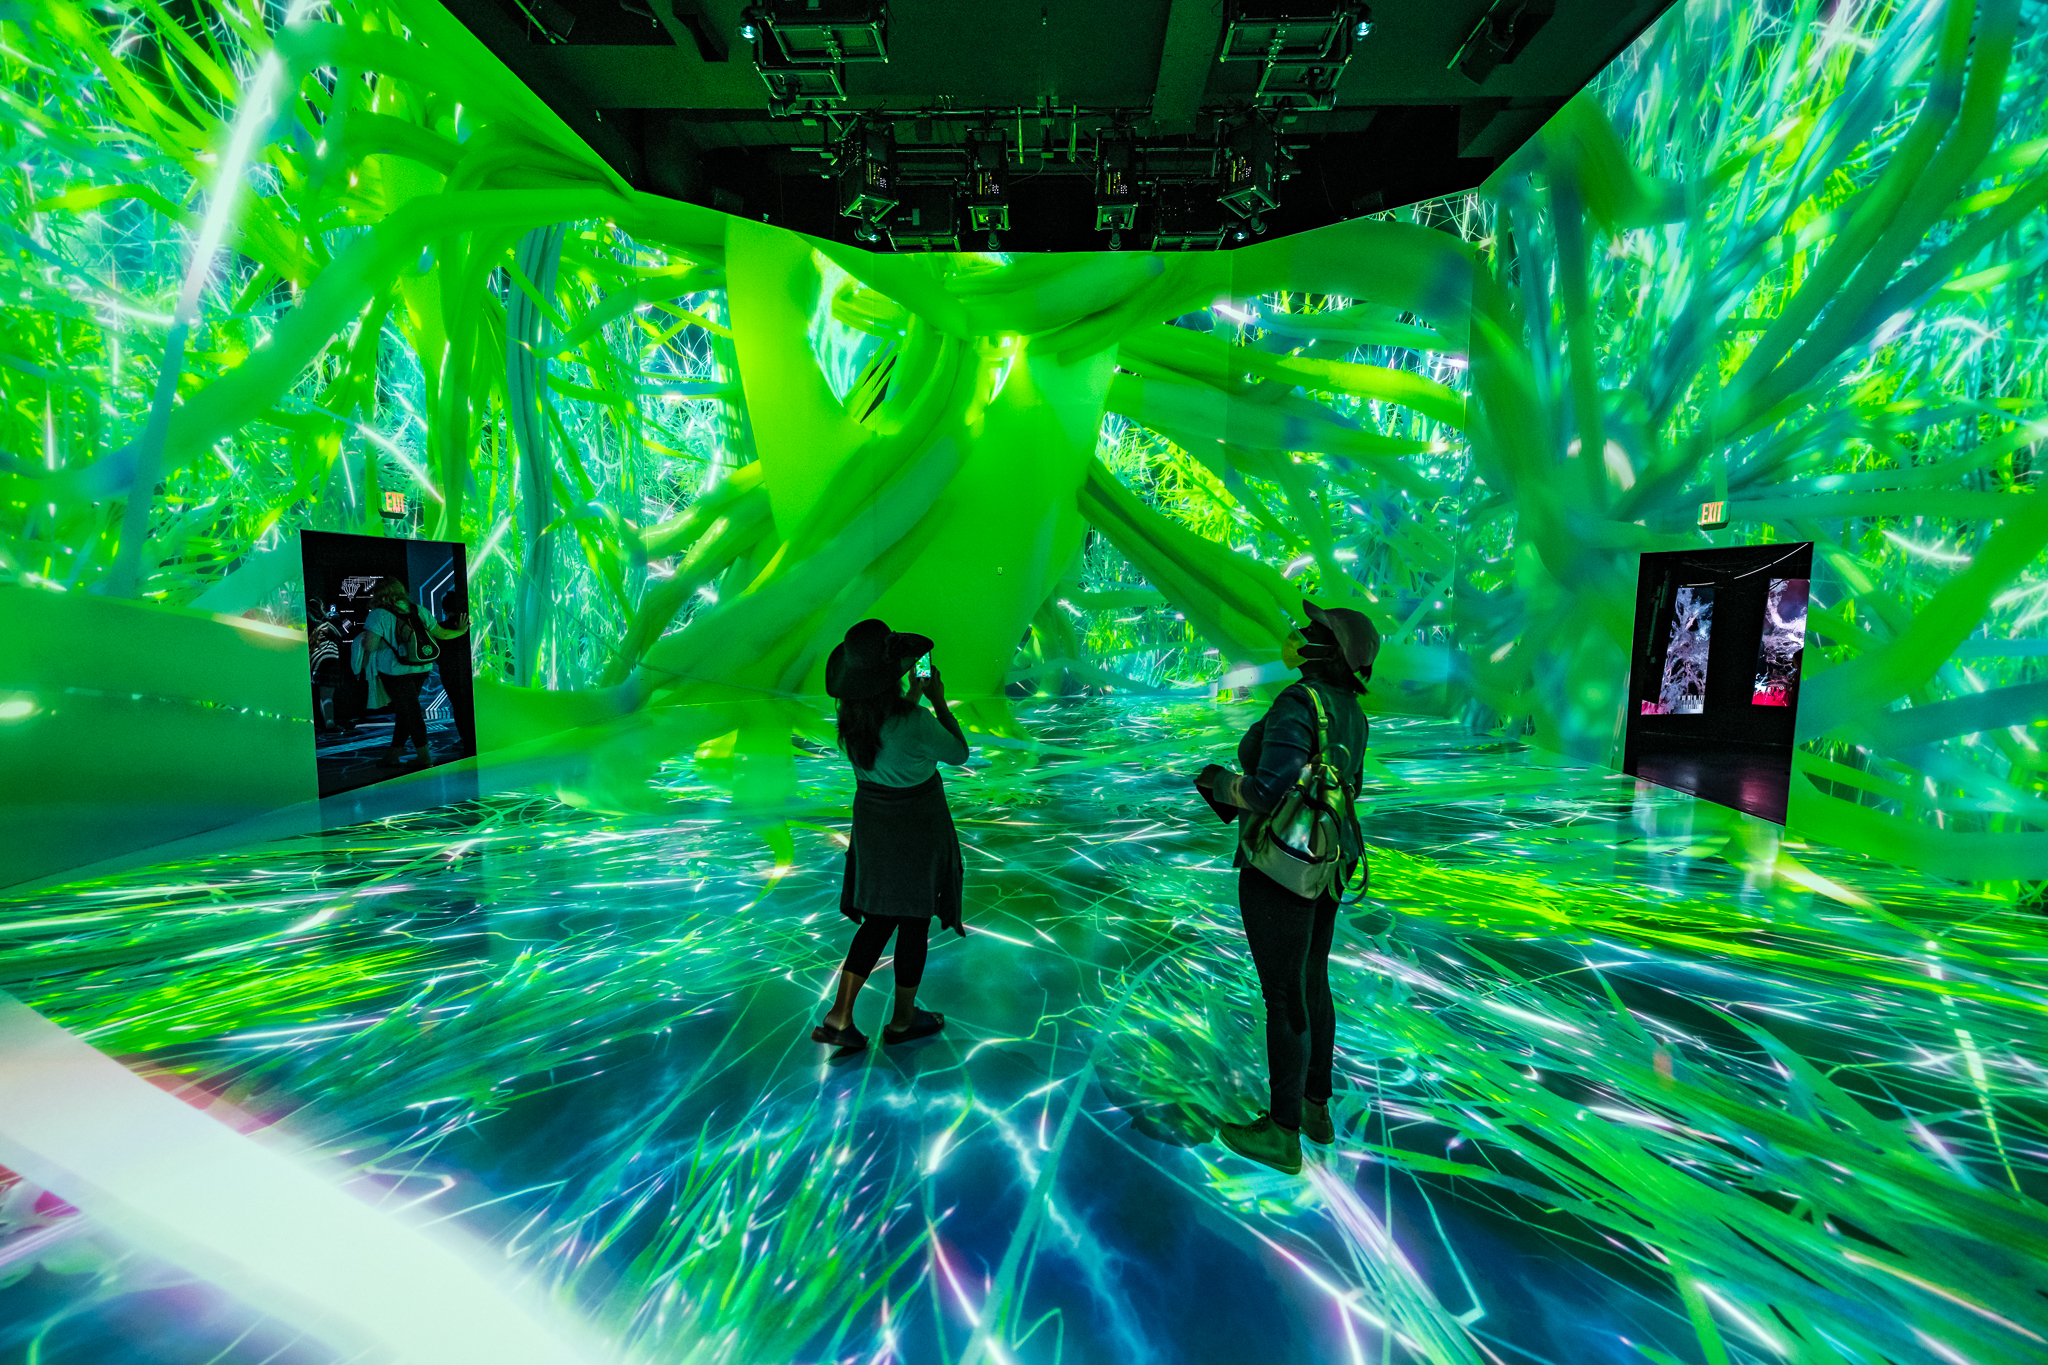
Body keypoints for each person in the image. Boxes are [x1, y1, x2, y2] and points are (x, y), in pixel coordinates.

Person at [1194, 601, 1379, 1175]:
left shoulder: (1300, 703)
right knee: (1311, 978)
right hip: (1327, 864)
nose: (1297, 636)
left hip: (1283, 868)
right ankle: (1316, 1108)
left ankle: (1282, 1133)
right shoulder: (1350, 710)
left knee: (1284, 995)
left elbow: (1269, 789)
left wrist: (1219, 784)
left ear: (1330, 650)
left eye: (1310, 631)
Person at [811, 618, 971, 1051]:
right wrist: (937, 701)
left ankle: (839, 1015)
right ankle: (903, 1020)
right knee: (914, 919)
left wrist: (915, 698)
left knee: (881, 917)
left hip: (873, 825)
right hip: (917, 825)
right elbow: (958, 754)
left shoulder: (850, 722)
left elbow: (891, 728)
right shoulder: (917, 721)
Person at [361, 579, 468, 769]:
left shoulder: (378, 615)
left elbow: (370, 645)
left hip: (395, 670)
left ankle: (424, 756)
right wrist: (461, 630)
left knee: (410, 711)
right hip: (421, 667)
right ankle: (394, 754)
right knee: (407, 710)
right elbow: (441, 634)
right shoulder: (418, 610)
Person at [435, 584, 477, 755]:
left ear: (445, 608)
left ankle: (465, 739)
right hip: (470, 673)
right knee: (470, 705)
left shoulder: (439, 628)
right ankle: (474, 737)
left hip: (449, 673)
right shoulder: (473, 627)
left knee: (459, 707)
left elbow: (435, 653)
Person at [307, 599, 344, 734]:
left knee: (321, 696)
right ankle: (330, 723)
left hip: (316, 664)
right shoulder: (328, 627)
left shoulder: (315, 630)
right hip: (329, 662)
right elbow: (341, 634)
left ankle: (323, 723)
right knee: (327, 696)